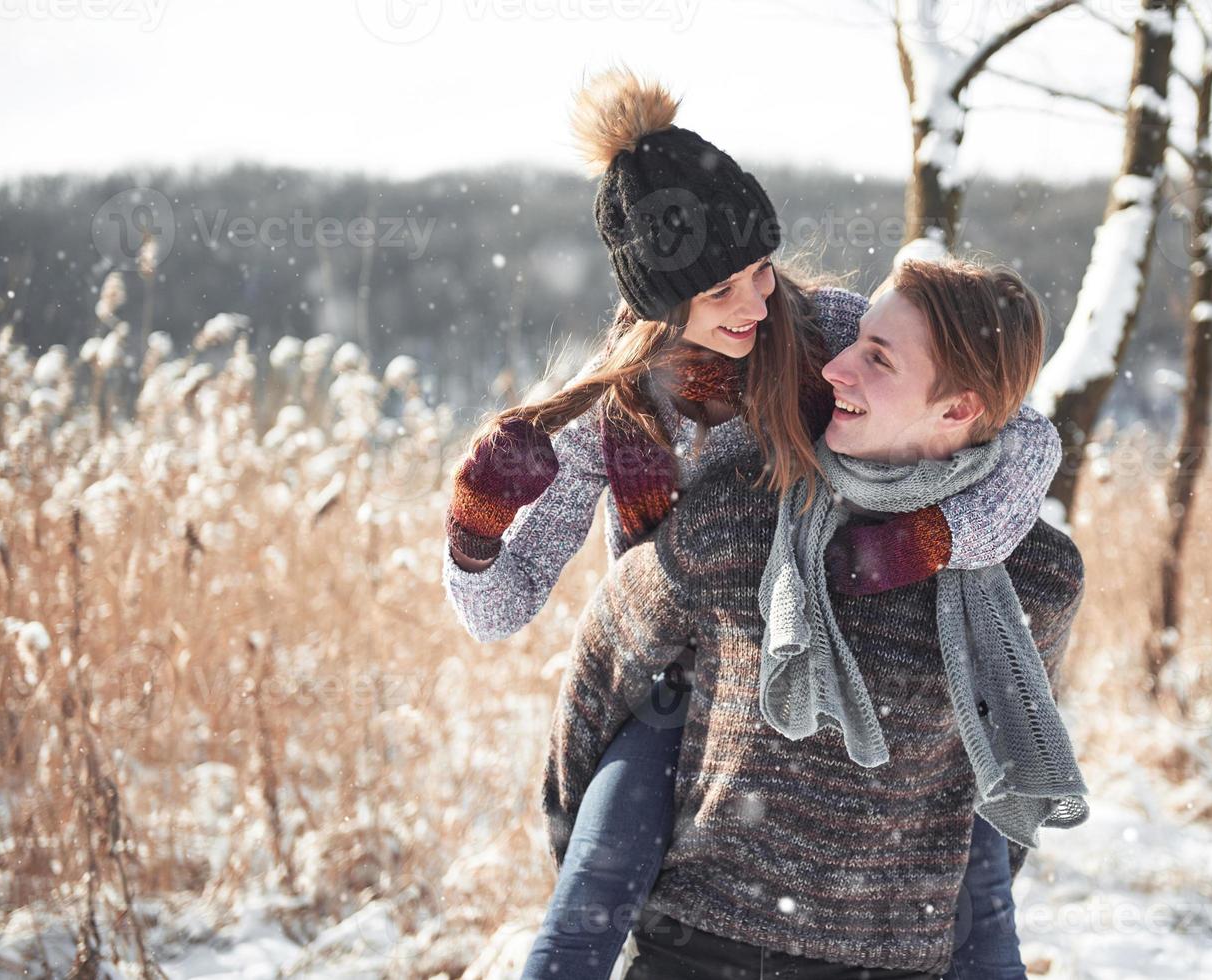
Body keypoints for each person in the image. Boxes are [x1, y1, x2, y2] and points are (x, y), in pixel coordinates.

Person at [438, 68, 1062, 979]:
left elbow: (1027, 442)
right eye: (722, 288)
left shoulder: (822, 338)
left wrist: (928, 541)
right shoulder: (613, 420)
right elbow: (495, 612)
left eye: (760, 269)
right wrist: (473, 528)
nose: (756, 302)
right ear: (659, 300)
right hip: (685, 675)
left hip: (842, 641)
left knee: (971, 893)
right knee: (586, 905)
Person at [541, 257, 1089, 980]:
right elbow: (601, 692)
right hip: (698, 954)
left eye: (878, 359)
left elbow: (999, 774)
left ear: (957, 410)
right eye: (855, 340)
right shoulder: (735, 519)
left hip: (896, 962)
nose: (836, 368)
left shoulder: (1033, 574)